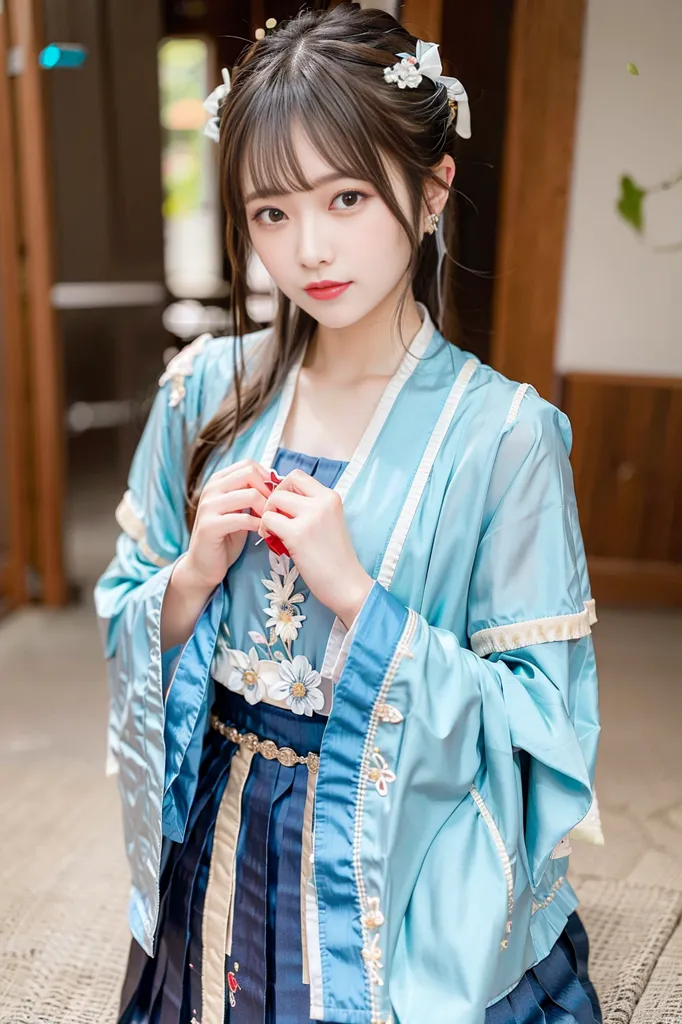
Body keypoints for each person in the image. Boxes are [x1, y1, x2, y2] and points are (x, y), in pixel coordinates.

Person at [94, 6, 603, 1023]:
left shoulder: (504, 436)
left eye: (346, 195)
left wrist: (363, 602)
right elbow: (124, 603)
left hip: (392, 861)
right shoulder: (203, 391)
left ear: (430, 190)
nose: (309, 247)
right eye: (271, 212)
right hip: (224, 832)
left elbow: (545, 730)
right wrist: (191, 573)